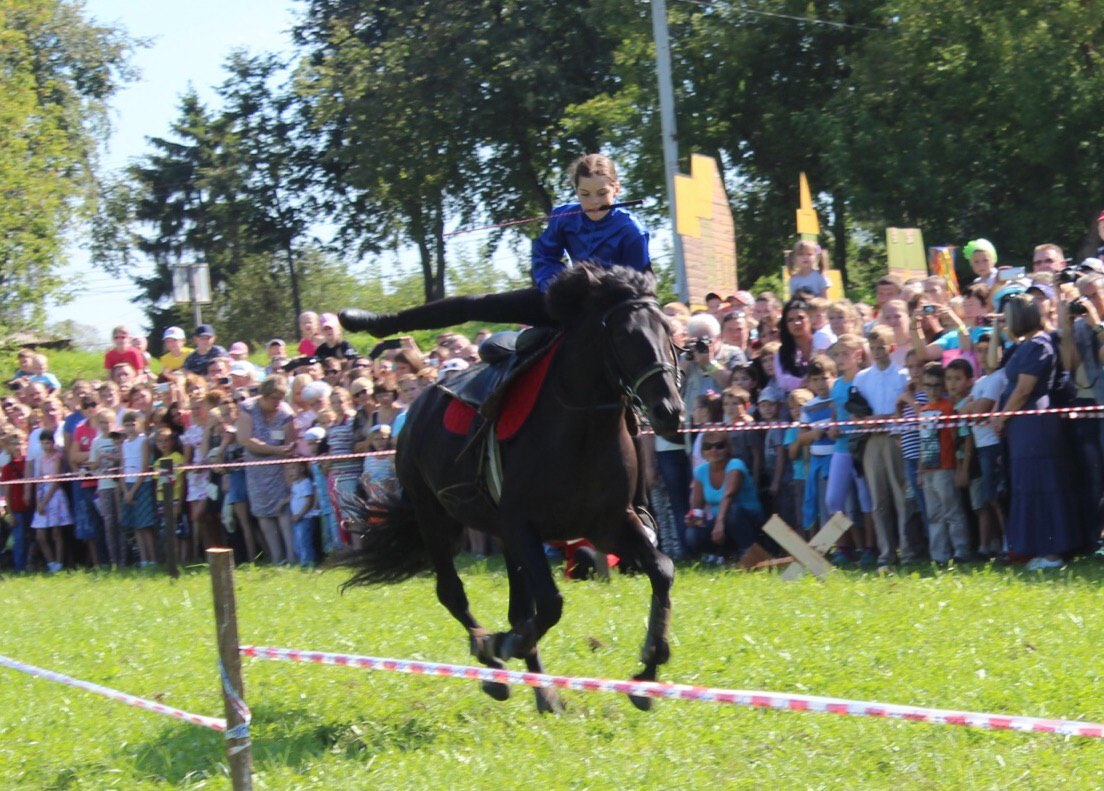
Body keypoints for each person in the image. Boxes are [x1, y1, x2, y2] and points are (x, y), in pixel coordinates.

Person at [339, 154, 650, 335]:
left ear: (616, 189)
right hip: (564, 301)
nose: (593, 202)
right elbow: (544, 255)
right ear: (576, 191)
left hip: (610, 312)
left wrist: (600, 291)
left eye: (601, 194)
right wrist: (553, 287)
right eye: (585, 195)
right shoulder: (563, 216)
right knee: (473, 304)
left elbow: (639, 282)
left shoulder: (631, 229)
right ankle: (387, 323)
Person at [996, 294, 1079, 569]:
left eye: (1008, 316)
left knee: (1042, 485)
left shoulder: (1038, 345)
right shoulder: (1026, 345)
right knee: (1028, 485)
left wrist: (1002, 417)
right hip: (1024, 425)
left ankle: (1053, 552)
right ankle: (1038, 548)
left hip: (1035, 423)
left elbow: (1024, 389)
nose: (1004, 321)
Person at [855, 325, 915, 566]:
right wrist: (863, 422)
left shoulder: (902, 375)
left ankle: (908, 549)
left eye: (881, 347)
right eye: (873, 348)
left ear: (891, 348)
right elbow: (855, 410)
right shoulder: (862, 377)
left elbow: (906, 408)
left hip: (895, 438)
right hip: (872, 440)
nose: (877, 352)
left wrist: (889, 418)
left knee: (901, 494)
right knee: (879, 498)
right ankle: (886, 551)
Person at [238, 375, 296, 564]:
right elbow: (245, 439)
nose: (277, 402)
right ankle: (277, 557)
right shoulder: (247, 408)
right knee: (263, 514)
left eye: (281, 398)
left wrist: (283, 453)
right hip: (256, 469)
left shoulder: (286, 413)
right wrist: (273, 449)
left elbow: (289, 442)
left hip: (279, 468)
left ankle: (291, 555)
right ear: (263, 395)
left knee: (282, 511)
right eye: (274, 398)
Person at [916, 363, 971, 563]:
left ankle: (961, 550)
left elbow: (958, 439)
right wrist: (920, 470)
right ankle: (939, 554)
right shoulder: (923, 410)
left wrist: (959, 467)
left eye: (936, 386)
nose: (932, 390)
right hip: (929, 467)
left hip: (946, 466)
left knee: (952, 511)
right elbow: (923, 442)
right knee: (934, 514)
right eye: (927, 386)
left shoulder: (949, 408)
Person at [685, 428, 764, 562]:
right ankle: (720, 556)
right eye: (707, 447)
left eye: (719, 446)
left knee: (732, 512)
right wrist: (694, 517)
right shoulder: (700, 471)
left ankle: (748, 552)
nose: (713, 450)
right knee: (692, 533)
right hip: (720, 521)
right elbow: (697, 506)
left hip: (746, 519)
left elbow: (728, 496)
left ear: (728, 448)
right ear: (702, 451)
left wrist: (719, 524)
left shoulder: (736, 464)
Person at [28, 431, 71, 573]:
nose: (46, 446)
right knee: (40, 535)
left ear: (53, 443)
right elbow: (39, 480)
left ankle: (59, 563)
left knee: (56, 533)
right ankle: (50, 562)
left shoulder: (57, 457)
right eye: (43, 443)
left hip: (54, 496)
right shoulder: (42, 459)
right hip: (42, 495)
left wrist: (45, 501)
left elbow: (56, 481)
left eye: (48, 442)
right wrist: (38, 501)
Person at [89, 408, 125, 567]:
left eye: (108, 422)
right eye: (102, 422)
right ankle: (113, 560)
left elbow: (123, 457)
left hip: (119, 484)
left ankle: (124, 559)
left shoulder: (118, 439)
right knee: (109, 523)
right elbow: (93, 465)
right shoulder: (96, 442)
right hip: (104, 485)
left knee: (121, 521)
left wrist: (110, 456)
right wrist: (99, 461)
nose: (105, 425)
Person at [1, 431, 32, 572]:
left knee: (33, 536)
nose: (17, 446)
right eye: (13, 444)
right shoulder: (7, 468)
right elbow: (7, 492)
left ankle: (32, 562)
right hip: (17, 508)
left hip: (32, 506)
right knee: (19, 538)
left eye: (19, 443)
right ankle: (19, 567)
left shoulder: (29, 464)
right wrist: (10, 513)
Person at [774, 298, 816, 392]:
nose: (796, 323)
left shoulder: (821, 343)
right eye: (790, 320)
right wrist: (805, 382)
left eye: (801, 318)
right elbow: (783, 381)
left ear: (810, 319)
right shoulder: (782, 353)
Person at [285, 461, 318, 567]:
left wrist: (299, 514)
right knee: (298, 542)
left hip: (305, 517)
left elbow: (308, 501)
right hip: (297, 518)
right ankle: (302, 561)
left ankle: (308, 561)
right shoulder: (295, 484)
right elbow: (292, 497)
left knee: (304, 540)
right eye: (289, 469)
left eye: (293, 468)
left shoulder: (305, 483)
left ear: (302, 469)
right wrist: (282, 503)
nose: (290, 472)